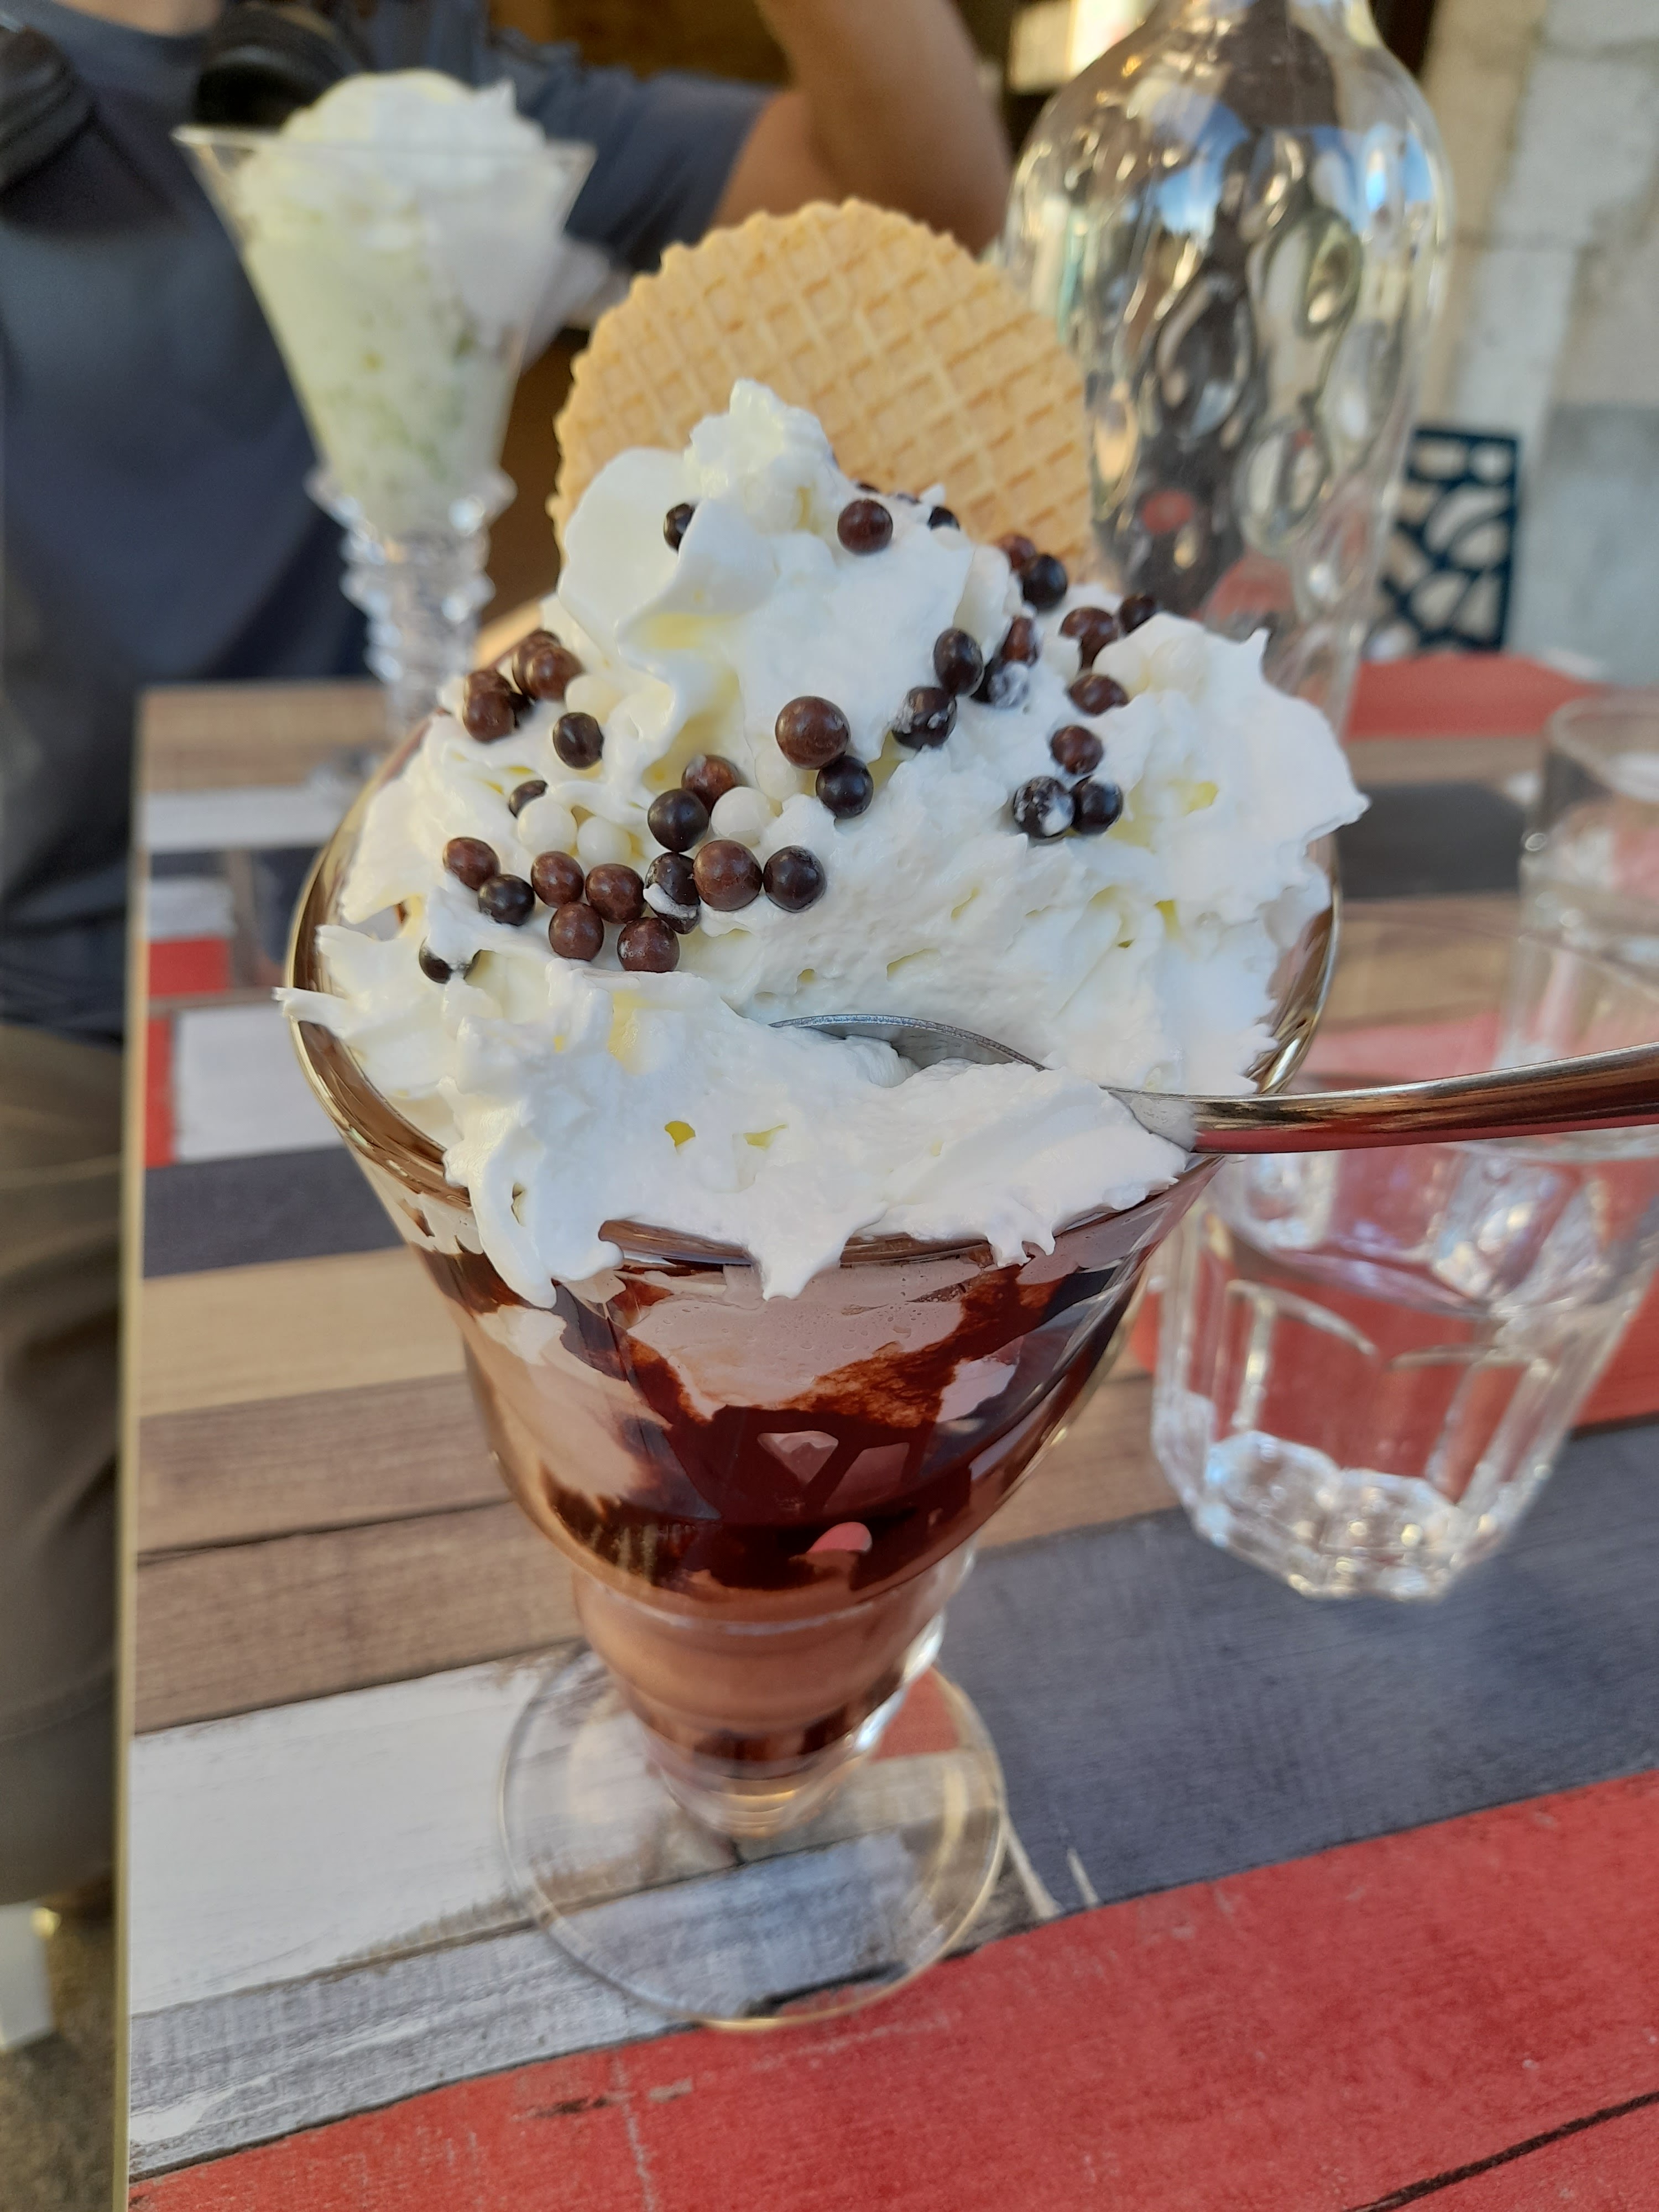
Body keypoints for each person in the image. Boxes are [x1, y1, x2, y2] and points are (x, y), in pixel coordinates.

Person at [0, 0, 1010, 1902]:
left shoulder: (419, 68)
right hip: (46, 993)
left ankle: (729, 1753)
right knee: (56, 1768)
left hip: (451, 953)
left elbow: (926, 194)